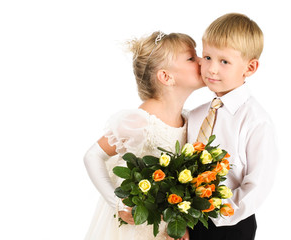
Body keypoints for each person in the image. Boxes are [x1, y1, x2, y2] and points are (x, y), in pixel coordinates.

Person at [83, 31, 204, 240]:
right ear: (166, 77)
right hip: (135, 227)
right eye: (191, 58)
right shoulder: (140, 121)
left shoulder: (187, 118)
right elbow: (92, 156)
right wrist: (118, 203)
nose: (202, 61)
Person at [187, 13, 278, 240]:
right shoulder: (196, 114)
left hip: (231, 225)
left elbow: (257, 185)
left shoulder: (256, 120)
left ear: (250, 67)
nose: (211, 69)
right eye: (207, 57)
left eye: (224, 61)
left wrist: (217, 214)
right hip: (189, 220)